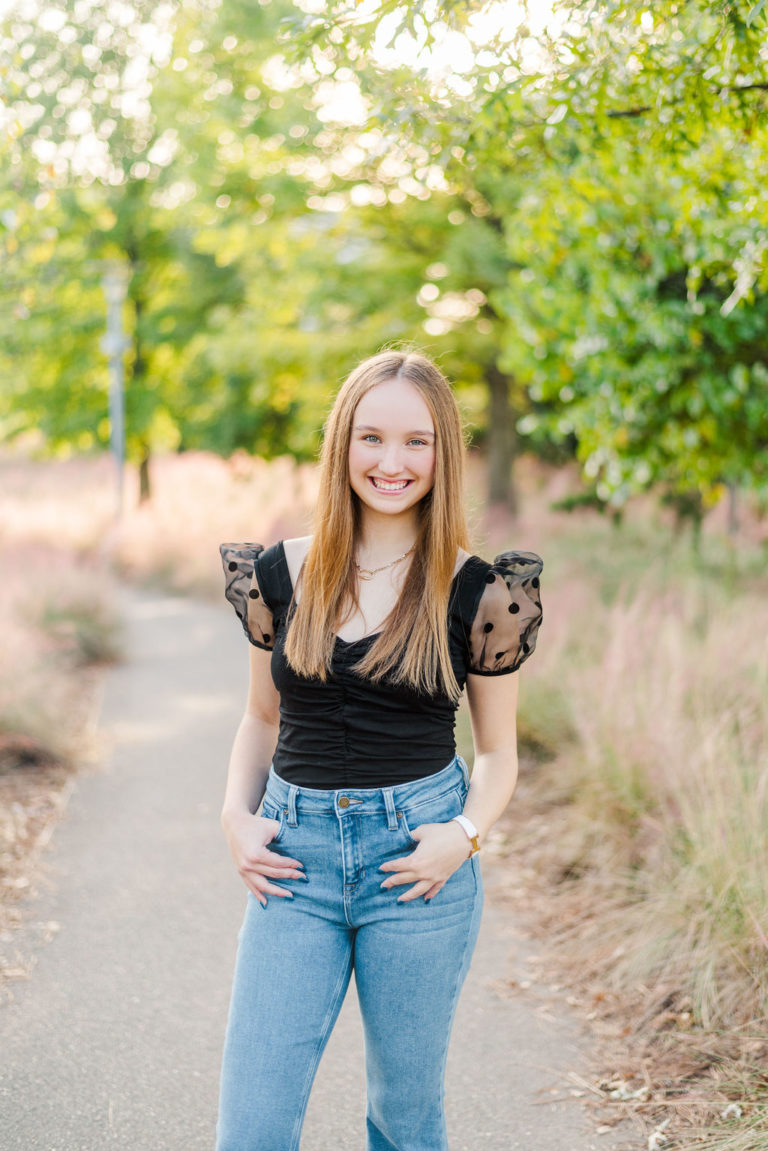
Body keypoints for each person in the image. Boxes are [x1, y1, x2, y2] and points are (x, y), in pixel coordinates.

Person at [216, 349, 543, 1151]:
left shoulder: (483, 592)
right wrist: (234, 815)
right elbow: (261, 717)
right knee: (253, 1123)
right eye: (371, 438)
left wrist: (460, 839)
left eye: (416, 442)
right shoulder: (280, 573)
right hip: (295, 861)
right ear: (342, 445)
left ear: (444, 453)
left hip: (417, 863)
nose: (391, 462)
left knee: (404, 1116)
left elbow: (498, 754)